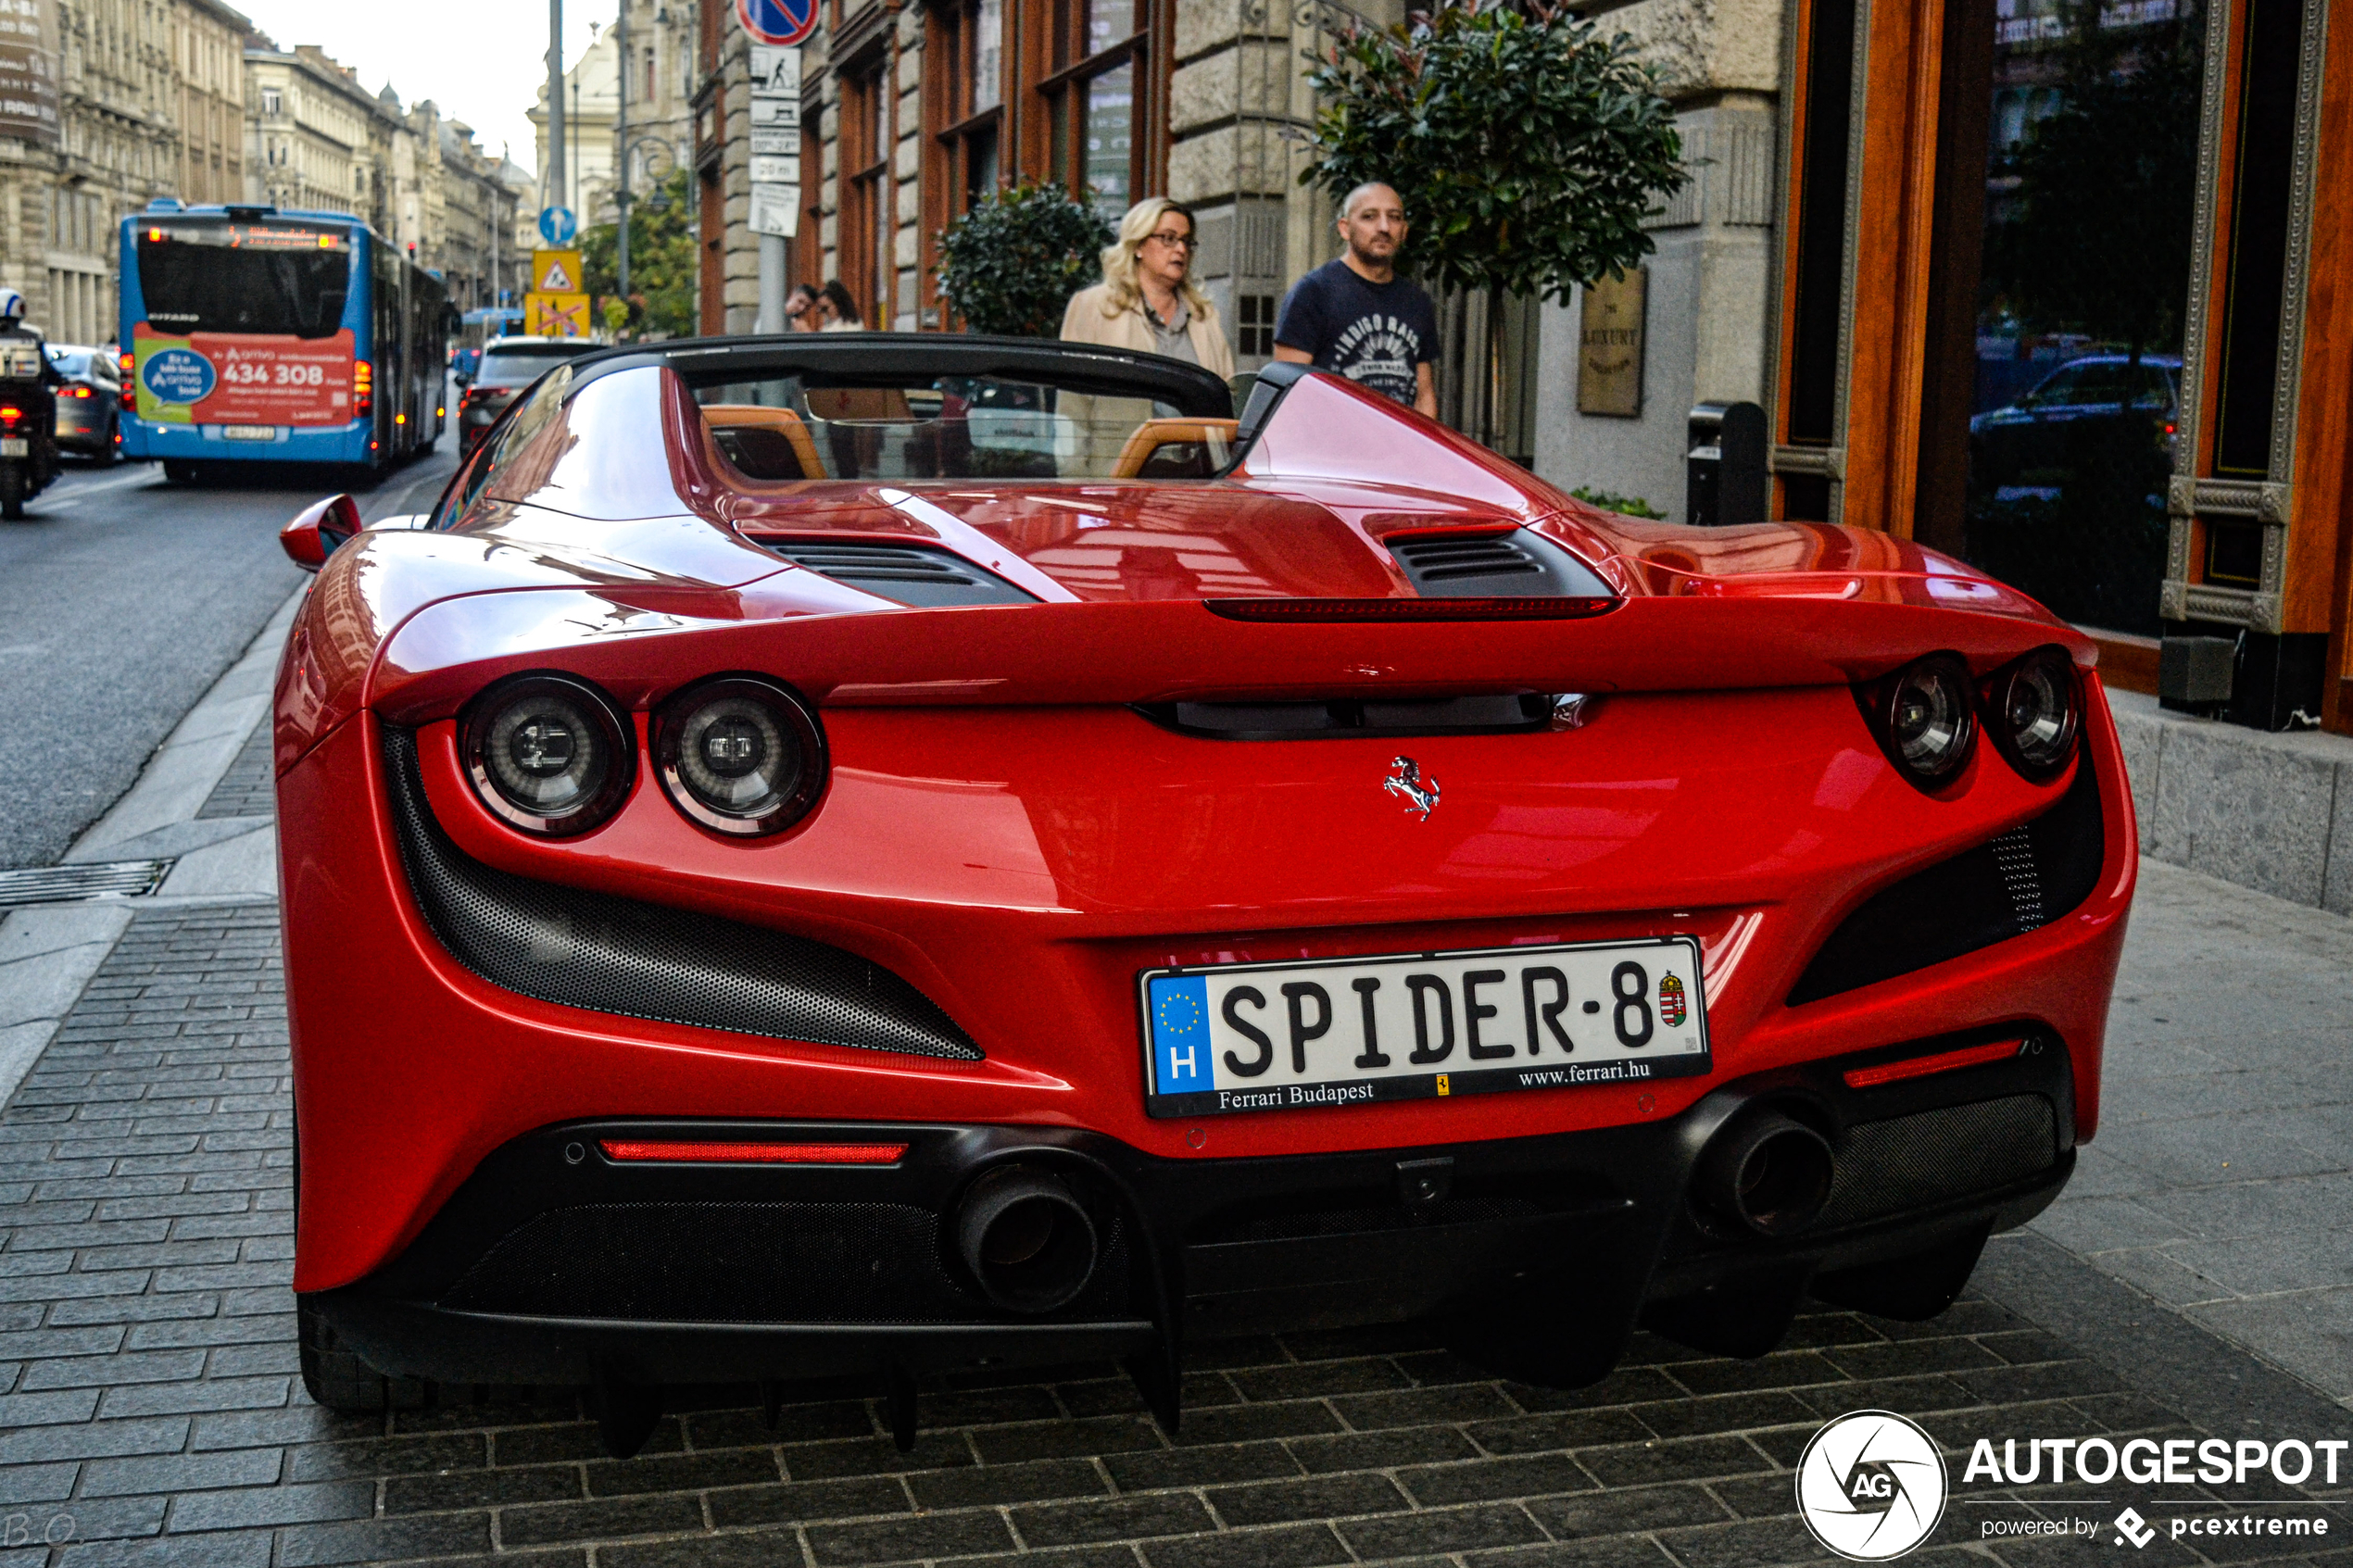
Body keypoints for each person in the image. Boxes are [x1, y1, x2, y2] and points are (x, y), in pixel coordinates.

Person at [1272, 182, 1439, 417]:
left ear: (1404, 230)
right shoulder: (1313, 292)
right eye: (1369, 217)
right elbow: (1286, 393)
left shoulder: (1417, 301)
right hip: (1331, 448)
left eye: (1394, 217)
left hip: (1396, 450)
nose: (1384, 227)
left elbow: (1424, 396)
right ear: (1345, 228)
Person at [1059, 197, 1235, 379]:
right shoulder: (1092, 305)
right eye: (1168, 238)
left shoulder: (1204, 316)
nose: (1181, 249)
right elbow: (1072, 394)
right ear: (1138, 245)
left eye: (1187, 241)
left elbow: (1226, 391)